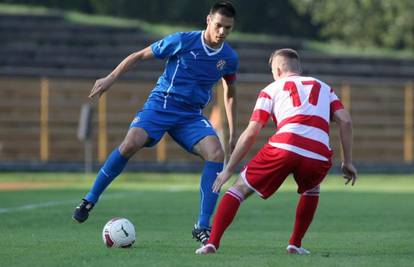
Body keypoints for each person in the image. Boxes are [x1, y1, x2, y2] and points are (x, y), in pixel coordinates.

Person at [72, 1, 238, 245]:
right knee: (131, 143)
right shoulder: (182, 40)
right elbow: (139, 55)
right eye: (218, 25)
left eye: (228, 28)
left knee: (216, 154)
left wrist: (233, 131)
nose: (222, 32)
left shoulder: (229, 57)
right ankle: (89, 199)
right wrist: (111, 77)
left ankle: (202, 226)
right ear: (208, 20)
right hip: (161, 105)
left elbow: (230, 91)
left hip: (191, 115)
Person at [195, 48, 357, 255]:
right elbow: (346, 120)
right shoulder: (324, 87)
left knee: (239, 189)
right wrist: (347, 161)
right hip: (318, 152)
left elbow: (252, 131)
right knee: (312, 188)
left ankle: (212, 243)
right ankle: (295, 244)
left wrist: (229, 169)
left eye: (272, 71)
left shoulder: (271, 89)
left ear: (278, 70)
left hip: (285, 145)